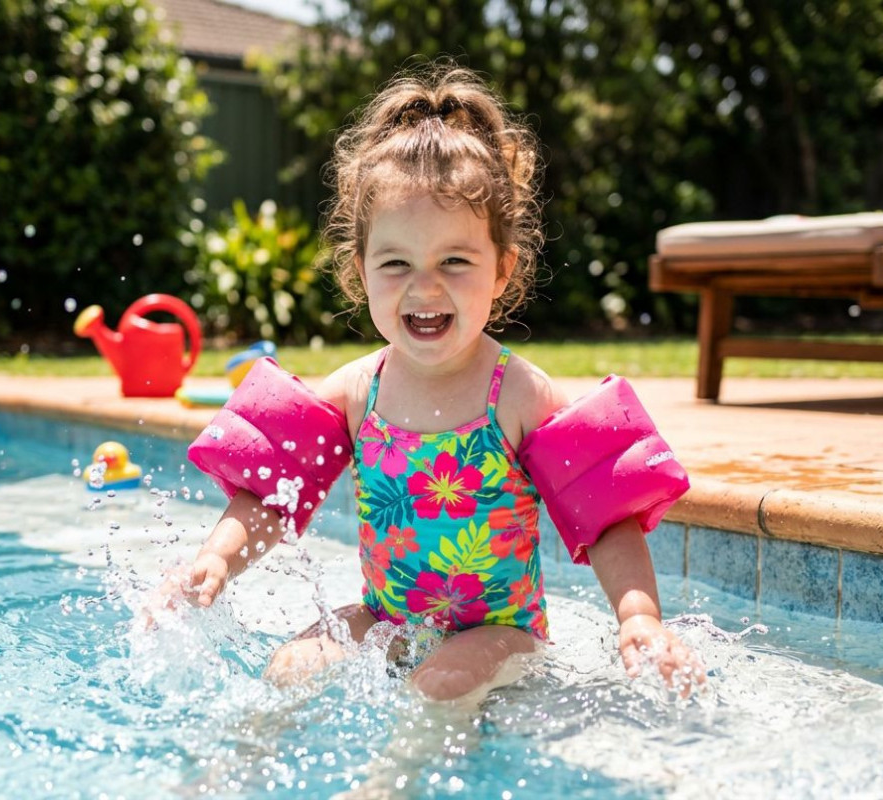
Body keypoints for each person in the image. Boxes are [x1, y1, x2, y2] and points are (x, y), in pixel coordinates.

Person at [150, 64, 701, 704]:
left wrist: (639, 619)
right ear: (361, 271)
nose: (425, 286)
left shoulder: (518, 394)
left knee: (439, 684)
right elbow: (272, 494)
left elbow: (606, 519)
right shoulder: (358, 392)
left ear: (502, 270)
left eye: (455, 261)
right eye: (397, 263)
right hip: (386, 618)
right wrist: (216, 559)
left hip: (501, 631)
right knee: (289, 668)